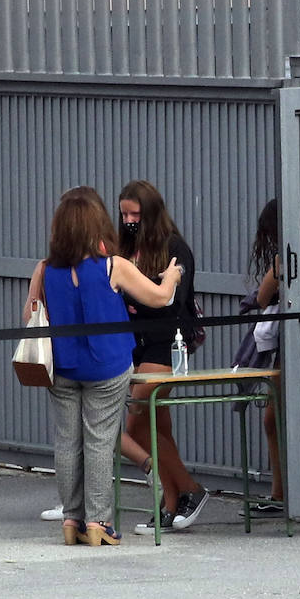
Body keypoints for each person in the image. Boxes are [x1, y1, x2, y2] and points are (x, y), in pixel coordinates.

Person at [25, 186, 182, 546]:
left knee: (67, 441)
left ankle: (71, 519)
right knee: (98, 440)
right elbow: (159, 299)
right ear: (98, 223)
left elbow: (29, 316)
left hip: (62, 367)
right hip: (107, 366)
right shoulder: (114, 266)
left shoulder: (45, 269)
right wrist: (171, 278)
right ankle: (98, 523)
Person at [117, 180, 210, 534]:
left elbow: (171, 299)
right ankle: (171, 502)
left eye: (135, 214)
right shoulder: (127, 248)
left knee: (138, 420)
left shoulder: (174, 248)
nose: (128, 220)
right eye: (124, 213)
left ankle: (190, 488)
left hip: (167, 342)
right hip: (137, 343)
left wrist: (141, 290)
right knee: (159, 425)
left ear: (151, 214)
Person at [232, 198, 285, 510]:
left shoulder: (284, 257)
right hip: (286, 344)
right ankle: (280, 493)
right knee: (273, 417)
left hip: (289, 345)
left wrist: (276, 267)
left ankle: (282, 493)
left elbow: (264, 296)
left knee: (275, 416)